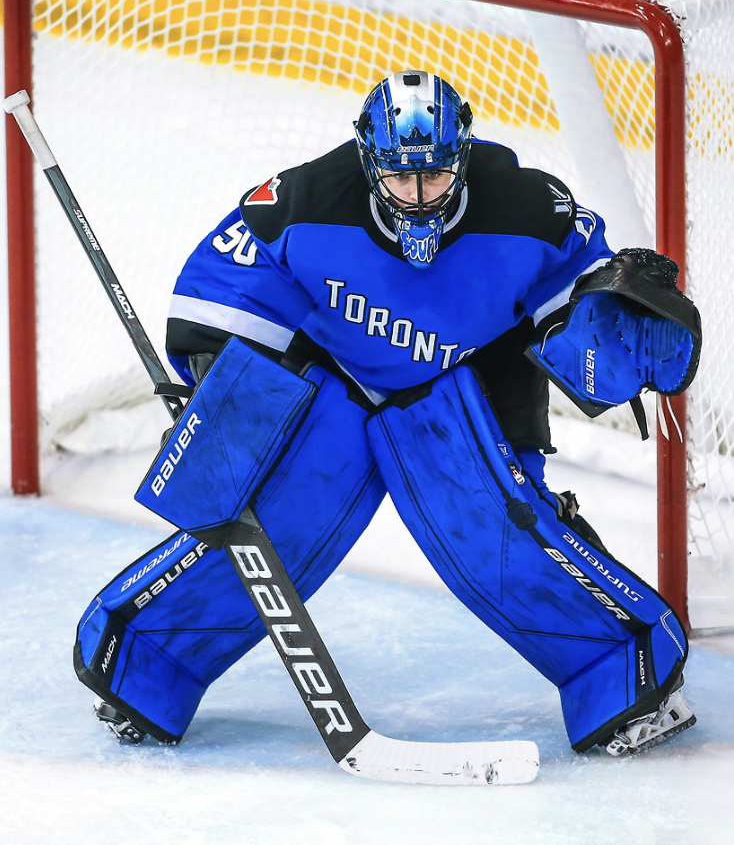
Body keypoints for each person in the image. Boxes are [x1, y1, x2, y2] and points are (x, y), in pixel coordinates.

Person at [76, 70, 701, 758]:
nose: (418, 195)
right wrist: (212, 383)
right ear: (368, 159)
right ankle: (143, 668)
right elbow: (219, 293)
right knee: (268, 522)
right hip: (336, 379)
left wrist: (605, 305)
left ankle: (625, 680)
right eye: (401, 180)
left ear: (461, 156)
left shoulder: (530, 206)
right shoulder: (303, 200)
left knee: (504, 530)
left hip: (473, 378)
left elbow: (575, 290)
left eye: (434, 178)